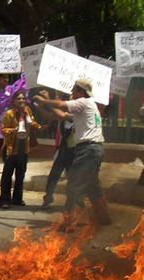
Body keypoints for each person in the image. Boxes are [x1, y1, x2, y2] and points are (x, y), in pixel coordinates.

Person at [34, 79, 111, 231]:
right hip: (92, 149)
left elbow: (62, 105)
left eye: (74, 90)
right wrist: (45, 104)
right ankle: (104, 218)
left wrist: (44, 99)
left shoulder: (84, 101)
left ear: (81, 91)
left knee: (74, 185)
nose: (71, 93)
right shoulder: (86, 107)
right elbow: (62, 115)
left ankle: (68, 221)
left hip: (88, 149)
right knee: (92, 186)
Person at [0, 90, 40, 209]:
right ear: (14, 101)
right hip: (11, 149)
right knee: (7, 176)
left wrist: (37, 126)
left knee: (20, 175)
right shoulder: (9, 114)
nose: (21, 101)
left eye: (23, 99)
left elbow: (32, 121)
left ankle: (17, 199)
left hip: (24, 148)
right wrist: (13, 131)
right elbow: (3, 130)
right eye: (19, 99)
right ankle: (4, 200)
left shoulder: (27, 111)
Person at [36, 89, 76, 209]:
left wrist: (46, 100)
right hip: (63, 150)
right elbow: (49, 115)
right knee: (54, 175)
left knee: (72, 177)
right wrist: (40, 108)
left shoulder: (77, 116)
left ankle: (73, 202)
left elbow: (60, 114)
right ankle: (48, 198)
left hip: (74, 151)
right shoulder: (62, 116)